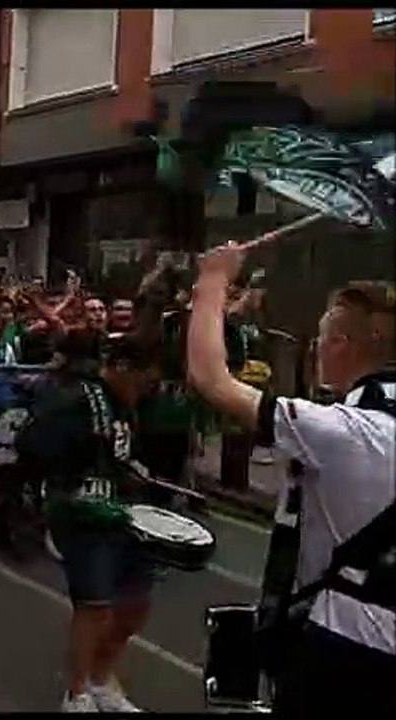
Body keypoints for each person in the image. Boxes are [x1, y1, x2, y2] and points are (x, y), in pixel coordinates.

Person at [187, 243, 395, 713]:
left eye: (321, 337)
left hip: (345, 647)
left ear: (343, 344)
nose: (316, 348)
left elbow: (210, 377)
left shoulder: (343, 431)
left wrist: (213, 282)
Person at [15, 329, 160, 712]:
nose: (147, 390)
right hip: (84, 511)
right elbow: (32, 442)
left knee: (135, 603)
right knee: (94, 605)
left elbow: (120, 452)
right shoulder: (77, 399)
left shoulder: (126, 404)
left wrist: (132, 469)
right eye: (144, 380)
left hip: (126, 511)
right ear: (124, 368)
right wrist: (67, 475)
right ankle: (77, 691)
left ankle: (102, 680)